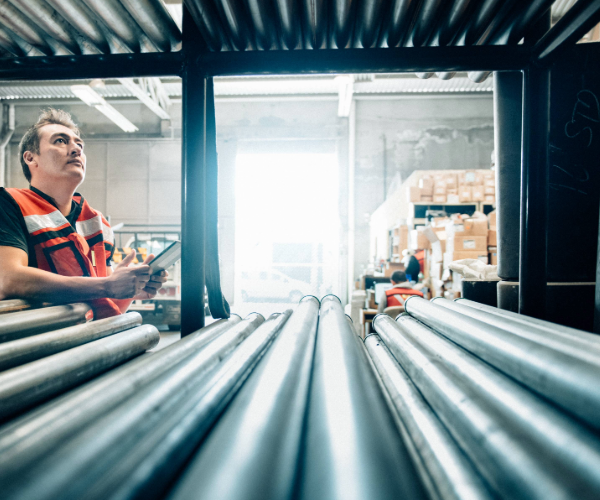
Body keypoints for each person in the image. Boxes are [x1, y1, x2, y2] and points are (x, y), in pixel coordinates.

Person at [0, 108, 167, 319]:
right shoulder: (9, 203)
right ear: (31, 158)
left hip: (86, 341)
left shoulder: (97, 224)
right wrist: (107, 285)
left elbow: (103, 302)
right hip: (35, 344)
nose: (76, 149)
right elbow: (8, 278)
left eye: (79, 144)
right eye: (60, 141)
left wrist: (130, 290)